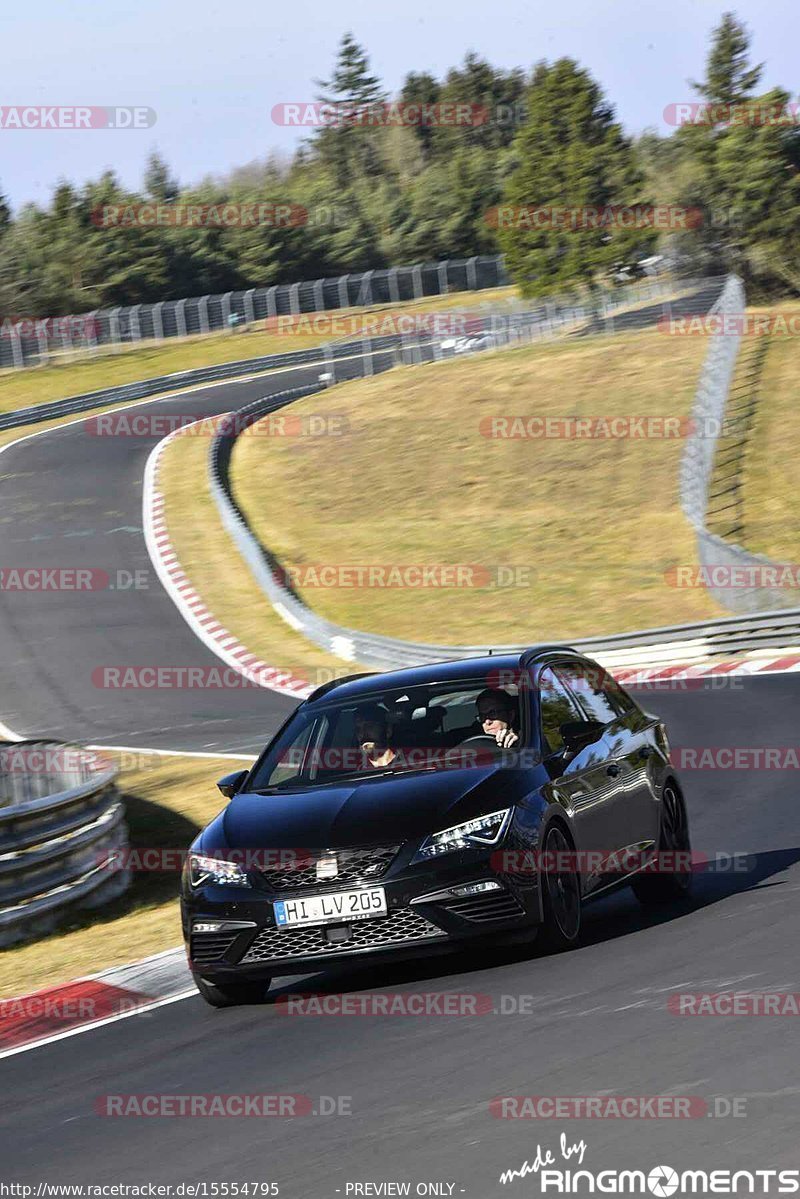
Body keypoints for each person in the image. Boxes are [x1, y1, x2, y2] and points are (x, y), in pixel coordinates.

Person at [353, 704, 398, 769]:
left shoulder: (411, 767)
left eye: (369, 726)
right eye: (358, 728)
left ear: (388, 730)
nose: (362, 733)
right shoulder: (355, 775)